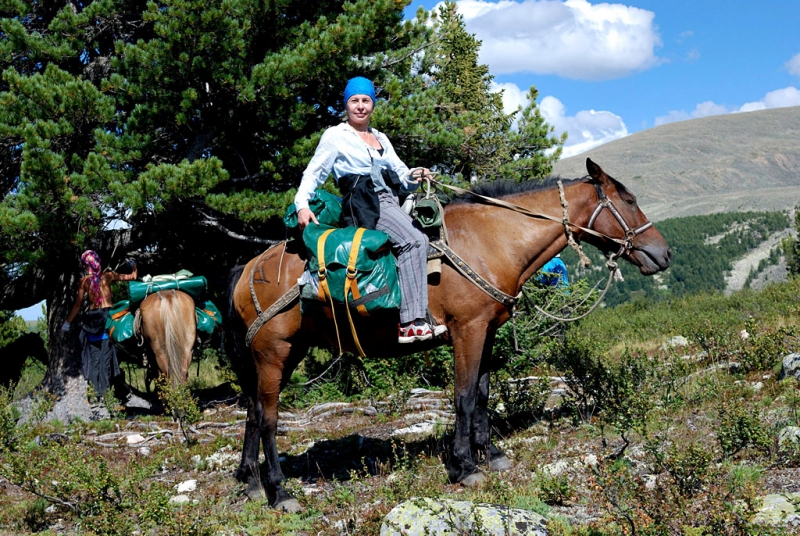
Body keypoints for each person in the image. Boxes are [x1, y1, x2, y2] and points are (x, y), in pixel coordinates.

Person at [295, 76, 446, 343]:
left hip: (390, 197)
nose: (361, 106)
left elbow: (401, 173)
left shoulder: (380, 138)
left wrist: (417, 173)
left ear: (373, 105)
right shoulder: (335, 136)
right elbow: (314, 172)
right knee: (414, 240)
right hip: (365, 202)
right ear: (346, 105)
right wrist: (302, 205)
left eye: (366, 100)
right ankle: (411, 322)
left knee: (435, 232)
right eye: (354, 101)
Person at [62, 250, 137, 398]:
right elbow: (132, 277)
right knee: (106, 358)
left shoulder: (84, 281)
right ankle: (106, 394)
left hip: (91, 320)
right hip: (106, 318)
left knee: (95, 358)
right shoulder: (108, 276)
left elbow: (77, 305)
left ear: (86, 265)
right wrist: (134, 266)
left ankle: (96, 395)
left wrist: (67, 323)